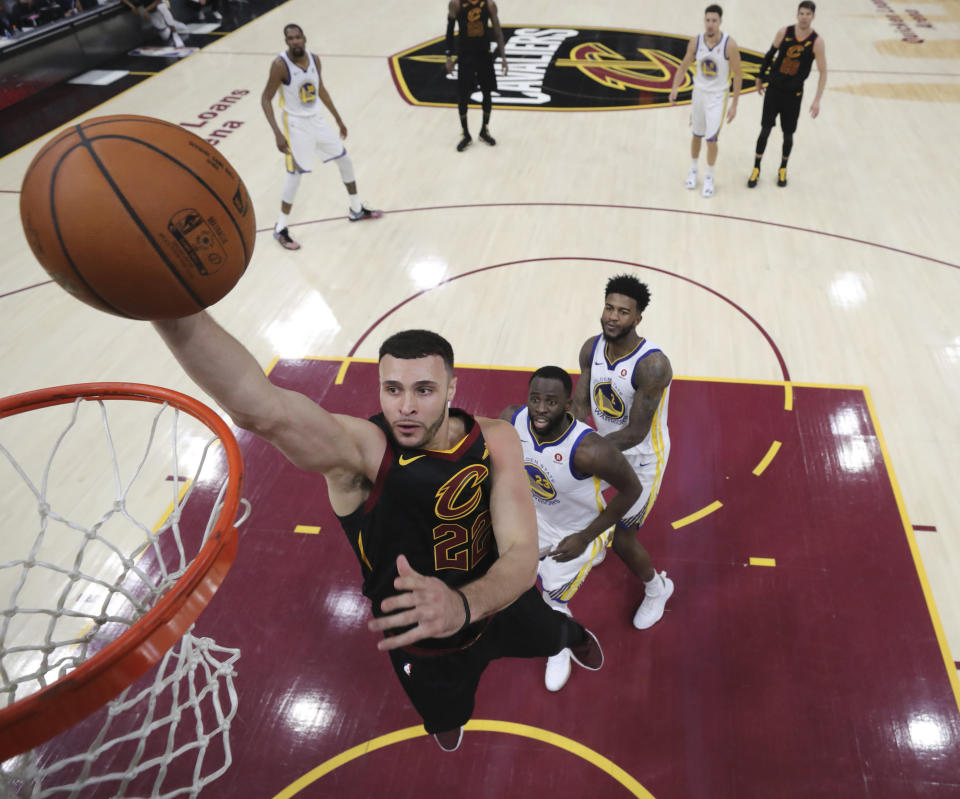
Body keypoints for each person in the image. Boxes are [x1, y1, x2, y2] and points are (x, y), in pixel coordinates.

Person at [151, 317, 603, 751]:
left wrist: (462, 605)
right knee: (446, 716)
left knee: (558, 633)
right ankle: (450, 719)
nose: (405, 406)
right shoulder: (360, 453)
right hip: (422, 636)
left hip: (500, 602)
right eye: (393, 389)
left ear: (451, 388)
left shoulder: (497, 437)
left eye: (423, 389)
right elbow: (262, 410)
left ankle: (574, 638)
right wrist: (168, 309)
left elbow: (522, 554)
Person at [500, 366, 643, 692]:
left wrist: (585, 537)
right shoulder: (512, 418)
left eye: (550, 402)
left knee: (553, 598)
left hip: (573, 531)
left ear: (568, 404)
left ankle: (560, 645)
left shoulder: (590, 450)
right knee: (517, 577)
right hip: (532, 516)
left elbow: (632, 490)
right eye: (535, 398)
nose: (539, 408)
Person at [573, 274, 675, 631]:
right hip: (604, 448)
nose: (613, 317)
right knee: (572, 499)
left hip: (642, 459)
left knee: (622, 538)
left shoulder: (652, 365)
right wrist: (567, 439)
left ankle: (656, 588)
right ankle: (594, 540)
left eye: (623, 311)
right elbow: (580, 406)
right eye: (609, 307)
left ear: (638, 318)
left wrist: (582, 452)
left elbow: (635, 432)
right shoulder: (591, 348)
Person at [260, 23, 381, 251]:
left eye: (298, 37)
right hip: (295, 125)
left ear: (304, 38)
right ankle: (280, 228)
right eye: (290, 39)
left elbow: (321, 89)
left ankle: (356, 209)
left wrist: (338, 118)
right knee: (295, 176)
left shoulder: (315, 60)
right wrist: (277, 133)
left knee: (344, 160)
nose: (295, 41)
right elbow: (265, 98)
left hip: (316, 120)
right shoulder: (279, 66)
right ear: (286, 42)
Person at [747, 1, 826, 188]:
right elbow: (770, 54)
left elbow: (823, 71)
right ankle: (756, 168)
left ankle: (783, 167)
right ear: (797, 15)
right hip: (774, 90)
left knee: (788, 134)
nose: (804, 17)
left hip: (793, 95)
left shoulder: (817, 42)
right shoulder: (784, 32)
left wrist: (817, 100)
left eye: (808, 14)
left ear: (813, 16)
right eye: (801, 13)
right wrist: (760, 76)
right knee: (765, 130)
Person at [668, 4, 742, 198]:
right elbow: (683, 66)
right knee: (696, 135)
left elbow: (738, 74)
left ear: (720, 22)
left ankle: (709, 176)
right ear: (704, 20)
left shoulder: (729, 44)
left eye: (714, 21)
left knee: (711, 140)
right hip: (699, 93)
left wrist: (735, 104)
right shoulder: (696, 42)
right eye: (707, 20)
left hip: (717, 96)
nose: (710, 24)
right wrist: (675, 87)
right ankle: (693, 170)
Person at [444, 0, 508, 152]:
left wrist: (504, 57)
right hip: (465, 55)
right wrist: (448, 57)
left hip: (484, 55)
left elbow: (497, 31)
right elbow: (450, 31)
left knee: (487, 92)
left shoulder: (489, 5)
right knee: (463, 95)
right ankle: (465, 134)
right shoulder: (456, 4)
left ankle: (484, 130)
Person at [121, 0, 188, 49]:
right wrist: (132, 6)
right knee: (165, 35)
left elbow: (158, 1)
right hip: (151, 12)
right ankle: (171, 24)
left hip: (158, 5)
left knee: (161, 7)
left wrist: (145, 11)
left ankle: (175, 35)